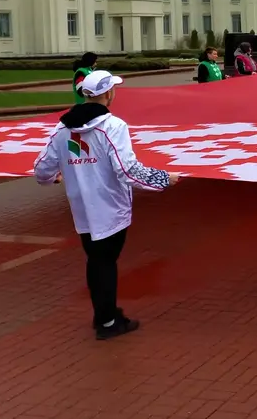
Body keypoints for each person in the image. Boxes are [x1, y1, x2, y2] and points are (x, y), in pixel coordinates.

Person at [32, 70, 180, 339]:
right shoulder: (113, 127)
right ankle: (108, 322)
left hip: (82, 209)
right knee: (105, 263)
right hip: (110, 207)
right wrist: (163, 179)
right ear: (107, 93)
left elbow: (42, 168)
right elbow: (127, 170)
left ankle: (104, 314)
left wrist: (53, 178)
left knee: (96, 260)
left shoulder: (62, 127)